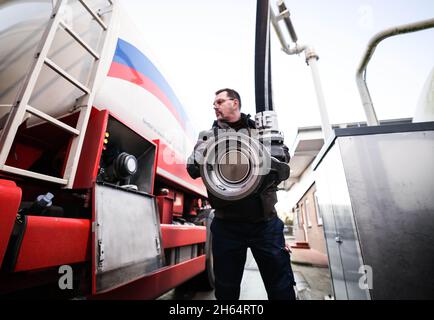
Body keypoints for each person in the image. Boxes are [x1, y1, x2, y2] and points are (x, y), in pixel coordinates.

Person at [187, 88, 296, 300]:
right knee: (226, 291)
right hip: (227, 225)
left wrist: (275, 150)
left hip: (265, 223)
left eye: (220, 101)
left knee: (281, 287)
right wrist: (207, 147)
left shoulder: (260, 130)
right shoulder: (208, 136)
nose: (215, 106)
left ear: (235, 103)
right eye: (214, 103)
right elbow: (191, 168)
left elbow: (283, 159)